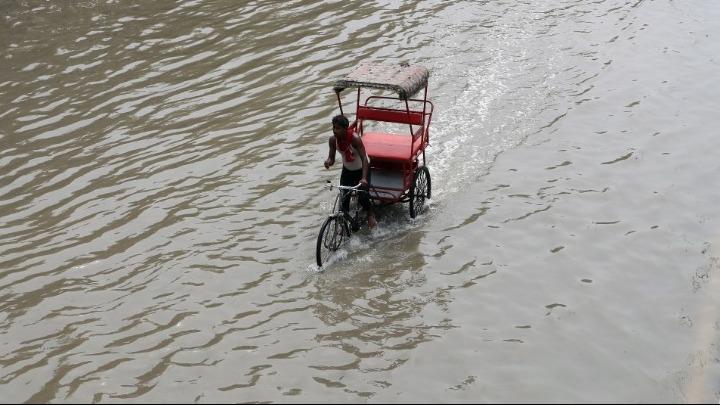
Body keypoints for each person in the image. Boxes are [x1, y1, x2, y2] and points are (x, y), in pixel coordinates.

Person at [324, 114, 377, 229]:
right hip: (347, 170)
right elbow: (331, 158)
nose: (334, 131)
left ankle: (370, 213)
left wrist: (363, 178)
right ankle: (343, 222)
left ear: (345, 128)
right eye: (333, 127)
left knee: (363, 196)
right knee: (343, 199)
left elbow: (364, 158)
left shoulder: (355, 139)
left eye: (338, 128)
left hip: (362, 169)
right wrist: (328, 162)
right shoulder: (333, 140)